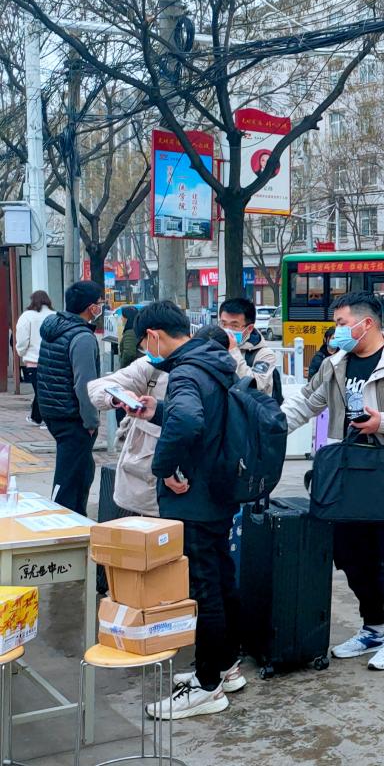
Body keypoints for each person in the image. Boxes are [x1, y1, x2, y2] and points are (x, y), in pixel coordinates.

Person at [278, 291, 384, 670]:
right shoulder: (335, 364)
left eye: (341, 323)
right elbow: (306, 402)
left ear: (365, 324)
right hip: (351, 482)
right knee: (355, 559)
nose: (336, 331)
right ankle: (373, 628)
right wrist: (268, 426)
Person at [122, 301, 245, 719]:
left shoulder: (186, 372)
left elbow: (190, 421)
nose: (146, 351)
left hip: (196, 495)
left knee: (205, 588)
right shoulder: (213, 362)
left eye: (145, 343)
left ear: (154, 335)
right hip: (219, 489)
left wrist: (164, 467)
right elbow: (204, 419)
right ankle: (226, 666)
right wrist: (158, 411)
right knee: (221, 579)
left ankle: (207, 686)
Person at [36, 281, 104, 514]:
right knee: (69, 478)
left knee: (82, 471)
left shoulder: (54, 328)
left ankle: (77, 519)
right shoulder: (82, 337)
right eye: (99, 303)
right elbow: (85, 385)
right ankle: (61, 520)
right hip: (73, 417)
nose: (101, 307)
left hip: (54, 411)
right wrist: (91, 421)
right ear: (90, 307)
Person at [217, 297, 280, 397]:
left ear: (249, 328)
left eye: (234, 326)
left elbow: (257, 385)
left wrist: (233, 351)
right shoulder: (214, 347)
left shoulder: (265, 354)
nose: (227, 330)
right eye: (223, 324)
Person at [14, 290, 53, 426]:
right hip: (52, 361)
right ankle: (36, 418)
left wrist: (21, 352)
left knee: (40, 391)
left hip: (33, 361)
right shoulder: (55, 315)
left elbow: (22, 339)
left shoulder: (27, 316)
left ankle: (44, 419)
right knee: (46, 390)